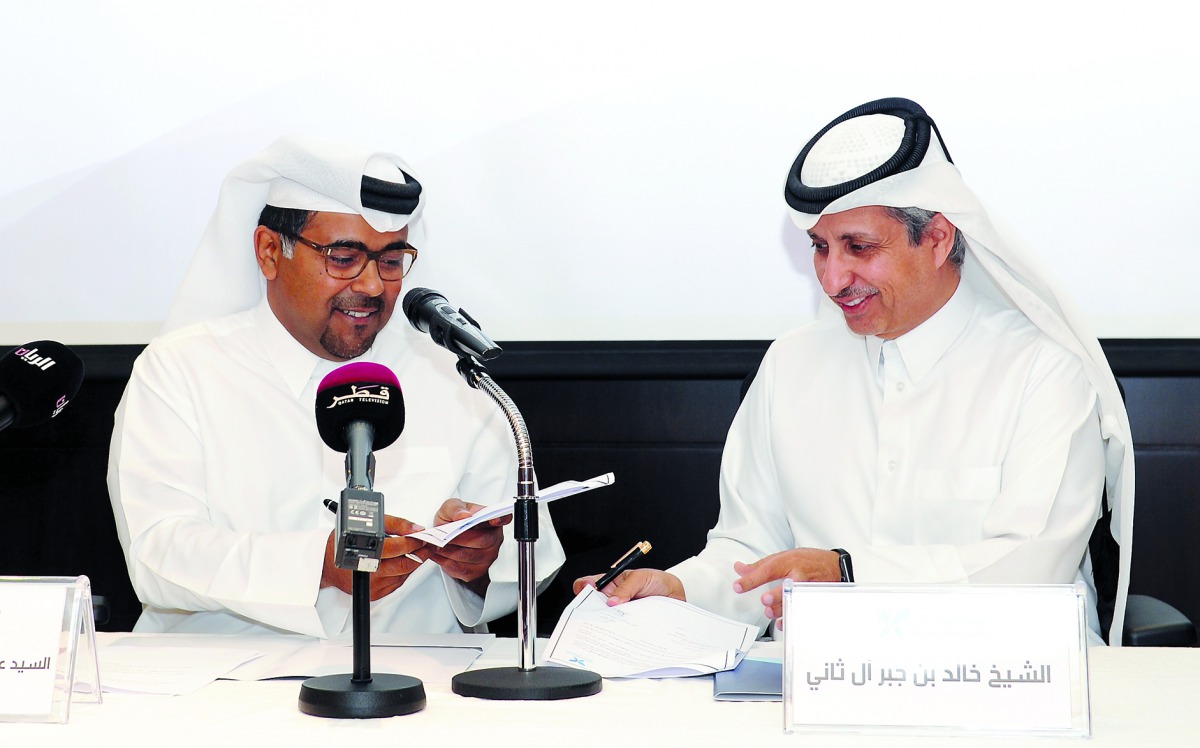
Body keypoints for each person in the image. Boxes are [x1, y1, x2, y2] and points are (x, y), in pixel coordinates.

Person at [575, 98, 1134, 645]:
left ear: (937, 238)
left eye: (859, 248)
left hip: (1007, 690)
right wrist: (679, 591)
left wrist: (849, 572)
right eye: (820, 248)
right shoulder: (792, 364)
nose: (833, 279)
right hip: (820, 687)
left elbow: (1029, 567)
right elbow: (750, 551)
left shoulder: (1043, 370)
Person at [109, 135, 565, 637]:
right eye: (344, 257)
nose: (372, 287)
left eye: (391, 262)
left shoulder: (451, 380)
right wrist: (316, 566)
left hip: (418, 692)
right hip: (225, 689)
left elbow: (534, 563)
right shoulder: (181, 370)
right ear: (268, 252)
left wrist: (476, 567)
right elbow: (157, 551)